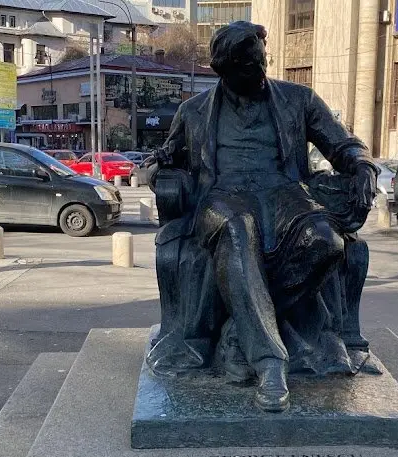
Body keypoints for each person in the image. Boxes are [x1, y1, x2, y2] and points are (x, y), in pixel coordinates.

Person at [152, 21, 377, 412]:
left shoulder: (298, 99)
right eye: (247, 67)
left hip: (285, 193)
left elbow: (342, 145)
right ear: (223, 69)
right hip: (222, 196)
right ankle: (270, 362)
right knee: (237, 230)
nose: (258, 73)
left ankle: (241, 329)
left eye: (262, 63)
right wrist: (162, 166)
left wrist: (361, 164)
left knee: (325, 240)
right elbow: (163, 161)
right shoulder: (193, 111)